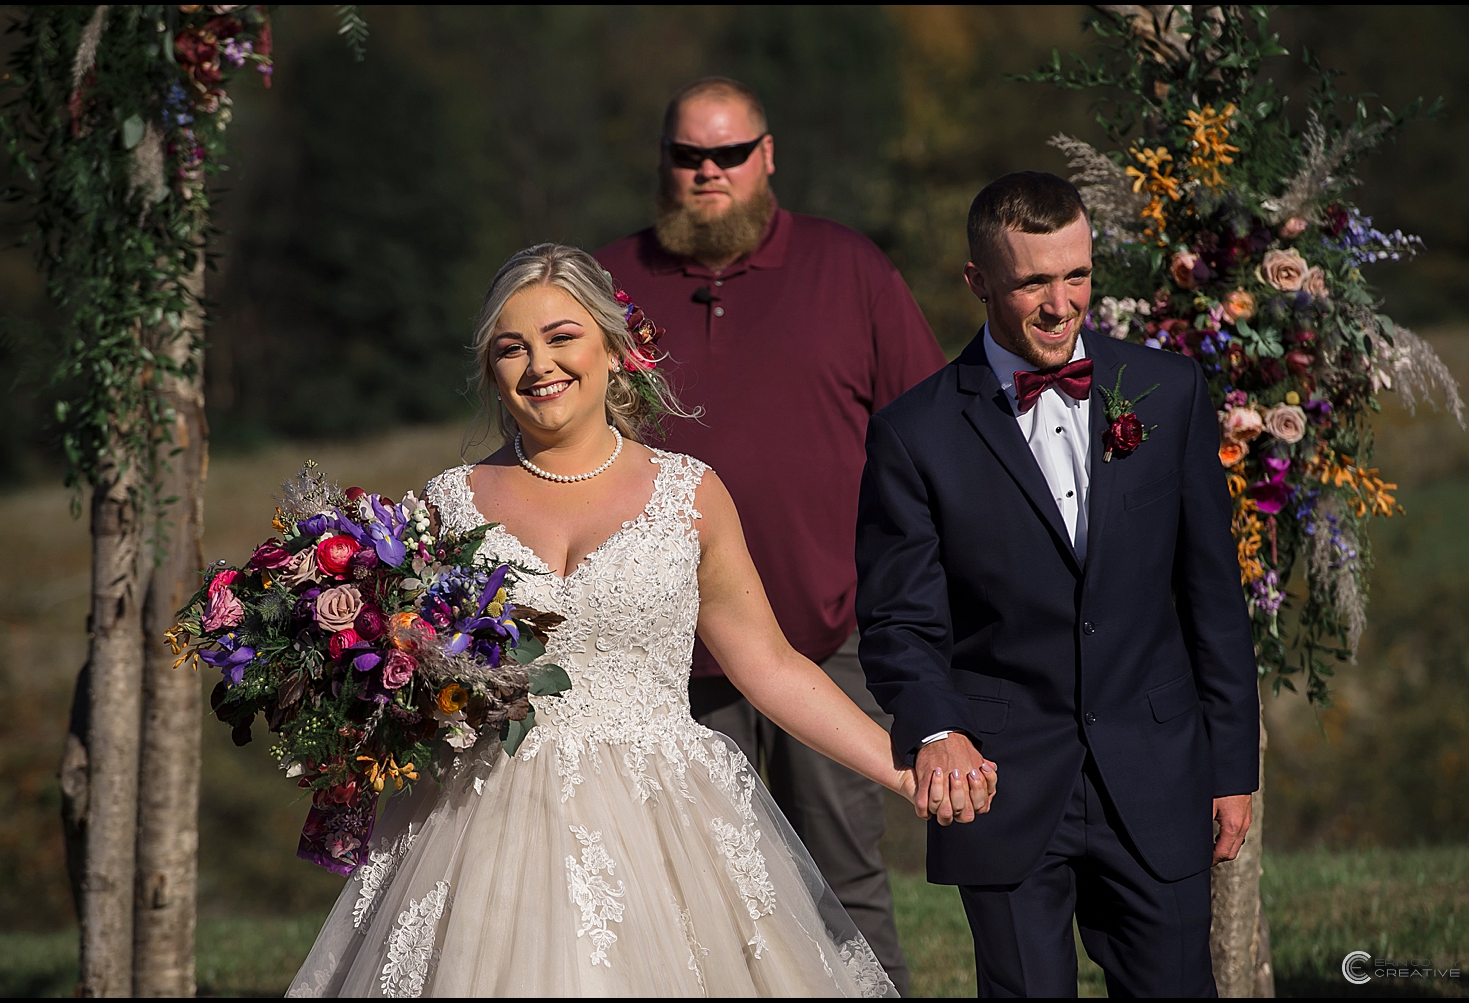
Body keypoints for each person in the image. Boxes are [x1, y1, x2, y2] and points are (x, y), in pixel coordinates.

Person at [286, 243, 994, 998]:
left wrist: (902, 765)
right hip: (480, 826)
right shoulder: (447, 505)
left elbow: (770, 666)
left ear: (615, 347)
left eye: (562, 337)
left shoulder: (690, 495)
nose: (538, 366)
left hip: (662, 824)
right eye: (511, 348)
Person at [855, 172, 1260, 997]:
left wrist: (1231, 764)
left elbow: (1212, 595)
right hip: (1002, 784)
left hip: (1158, 770)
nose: (1060, 302)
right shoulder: (913, 432)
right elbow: (899, 622)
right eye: (1033, 281)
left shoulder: (1171, 392)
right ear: (977, 282)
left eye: (1076, 275)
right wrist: (936, 731)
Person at [595, 78, 945, 995]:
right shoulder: (601, 283)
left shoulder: (848, 268)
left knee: (841, 885)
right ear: (663, 161)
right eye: (688, 155)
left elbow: (932, 432)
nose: (708, 172)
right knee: (680, 894)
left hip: (827, 639)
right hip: (662, 656)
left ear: (768, 155)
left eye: (730, 153)